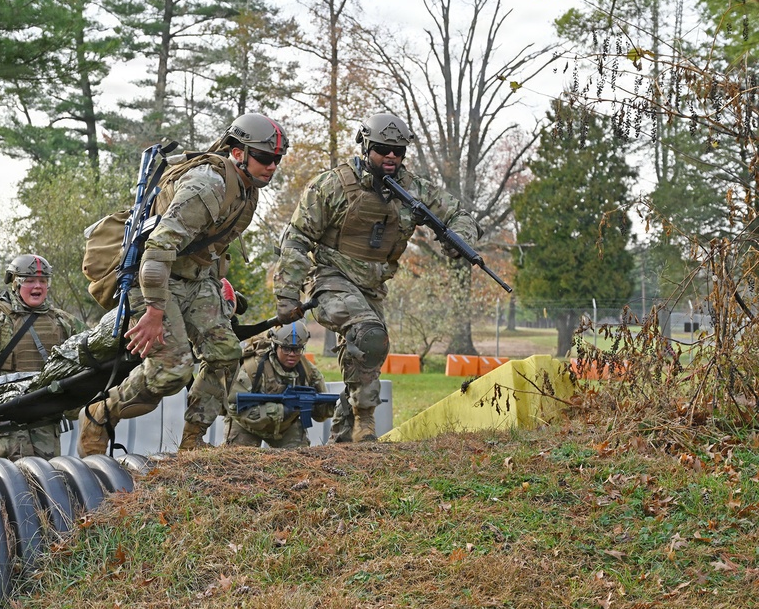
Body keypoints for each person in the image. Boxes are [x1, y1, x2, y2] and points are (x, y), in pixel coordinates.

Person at [78, 113, 290, 455]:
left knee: (225, 354)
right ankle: (100, 413)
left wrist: (218, 285)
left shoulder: (247, 189)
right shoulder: (207, 185)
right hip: (154, 278)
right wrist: (153, 312)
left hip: (194, 278)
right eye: (265, 157)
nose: (272, 166)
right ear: (238, 153)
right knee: (171, 372)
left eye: (277, 159)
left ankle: (192, 441)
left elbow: (207, 246)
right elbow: (158, 250)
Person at [273, 113, 481, 443]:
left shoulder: (413, 190)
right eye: (384, 149)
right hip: (330, 278)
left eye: (398, 151)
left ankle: (344, 444)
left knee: (367, 355)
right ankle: (365, 420)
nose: (392, 157)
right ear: (367, 145)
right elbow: (297, 236)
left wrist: (461, 238)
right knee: (369, 334)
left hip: (371, 288)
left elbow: (457, 214)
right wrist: (287, 294)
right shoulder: (333, 186)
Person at [0, 254, 86, 460]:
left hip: (46, 421)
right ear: (15, 283)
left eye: (43, 281)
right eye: (29, 281)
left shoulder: (63, 321)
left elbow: (87, 356)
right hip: (6, 422)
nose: (37, 286)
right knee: (9, 485)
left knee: (46, 481)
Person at [225, 321, 333, 449]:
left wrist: (322, 407)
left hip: (285, 428)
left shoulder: (309, 372)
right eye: (286, 348)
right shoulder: (253, 368)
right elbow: (233, 405)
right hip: (247, 426)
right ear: (275, 346)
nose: (292, 354)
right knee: (239, 462)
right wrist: (279, 411)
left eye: (297, 349)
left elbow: (320, 415)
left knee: (299, 460)